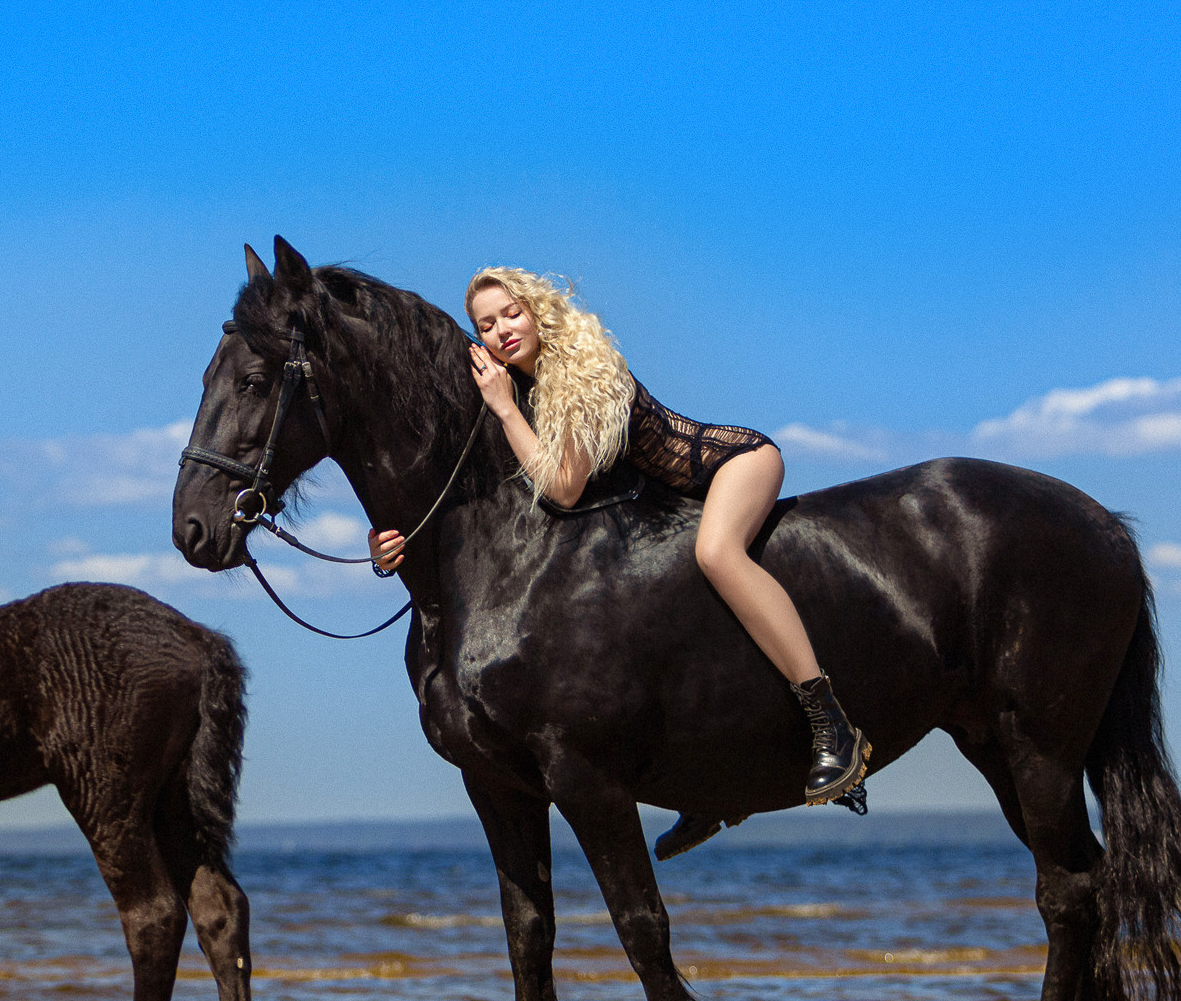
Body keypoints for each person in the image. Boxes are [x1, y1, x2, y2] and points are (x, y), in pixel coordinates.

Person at [369, 268, 868, 855]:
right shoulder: (520, 389)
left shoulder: (577, 369)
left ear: (536, 310)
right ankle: (709, 790)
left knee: (717, 555)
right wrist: (394, 548)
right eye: (486, 324)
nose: (501, 330)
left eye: (511, 313)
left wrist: (503, 410)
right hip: (660, 504)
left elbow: (562, 489)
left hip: (729, 467)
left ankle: (830, 720)